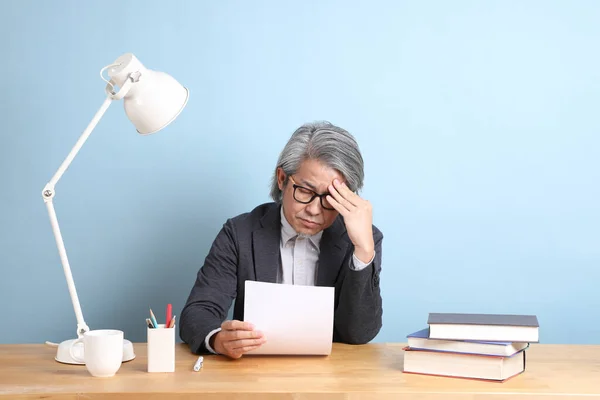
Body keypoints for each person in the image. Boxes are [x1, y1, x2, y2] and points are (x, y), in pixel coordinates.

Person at [180, 121, 383, 358]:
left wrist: (363, 252)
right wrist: (217, 339)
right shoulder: (240, 232)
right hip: (254, 374)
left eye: (330, 198)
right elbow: (198, 312)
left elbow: (359, 334)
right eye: (305, 191)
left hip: (332, 379)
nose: (315, 210)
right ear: (281, 179)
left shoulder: (361, 239)